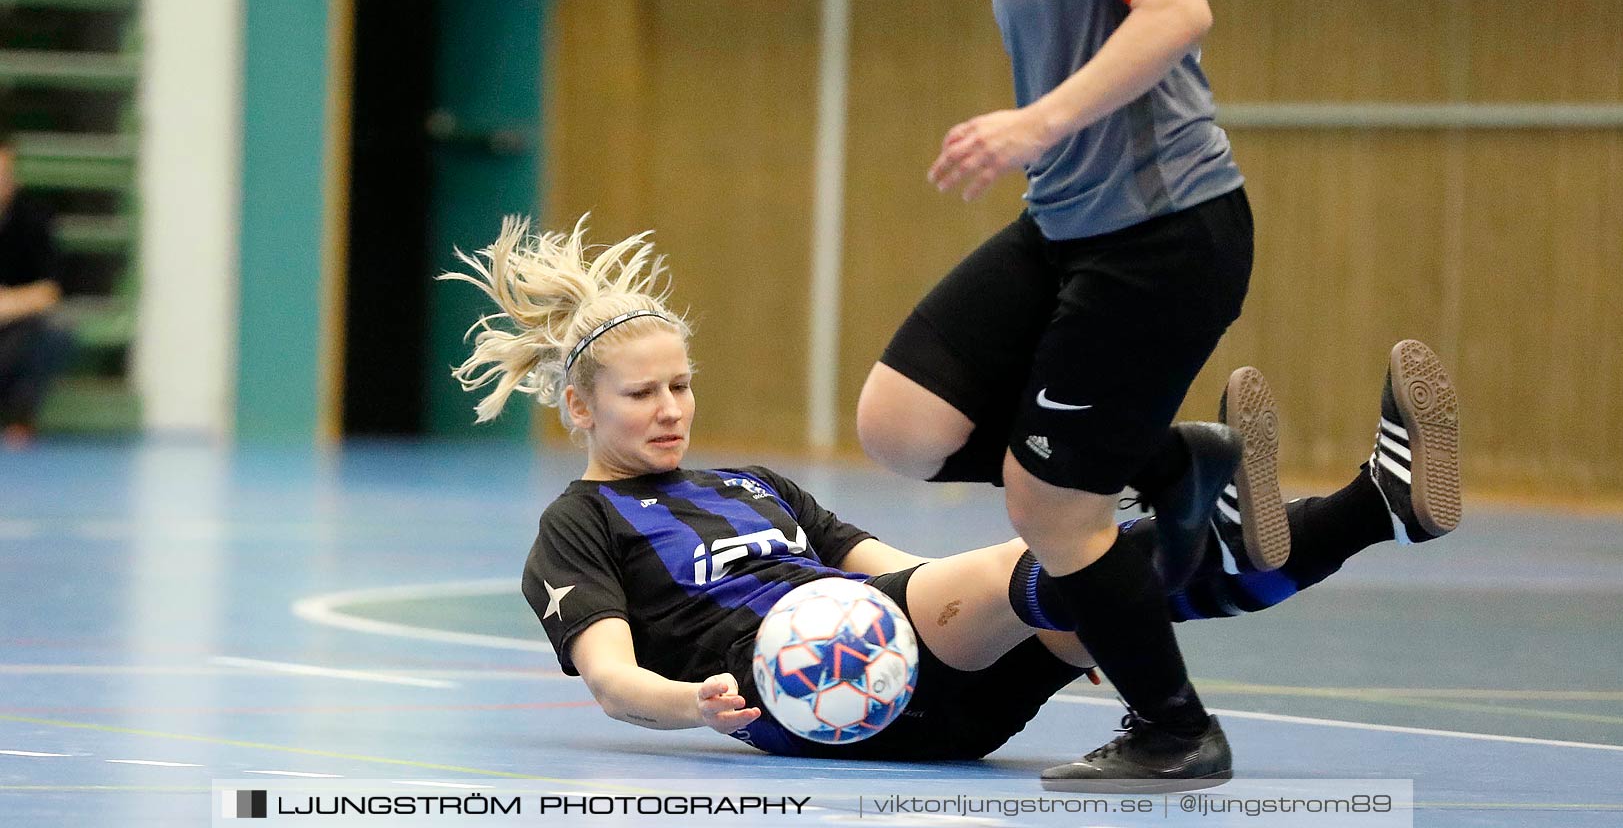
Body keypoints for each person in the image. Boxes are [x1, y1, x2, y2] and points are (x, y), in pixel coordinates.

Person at [448, 217, 1463, 781]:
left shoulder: (752, 484)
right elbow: (612, 677)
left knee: (1120, 588)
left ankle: (1381, 504)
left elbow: (891, 569)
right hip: (798, 687)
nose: (672, 410)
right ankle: (1193, 503)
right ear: (579, 405)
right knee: (1055, 558)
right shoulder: (575, 526)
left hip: (936, 695)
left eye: (681, 385)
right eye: (643, 395)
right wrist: (691, 705)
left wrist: (1095, 611)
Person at [855, 0, 1260, 784]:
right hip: (1073, 226)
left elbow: (1178, 5)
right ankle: (1173, 466)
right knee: (901, 425)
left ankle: (1178, 729)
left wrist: (1036, 124)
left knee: (1049, 502)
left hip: (1162, 235)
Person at [0, 131, 74, 447]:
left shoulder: (33, 218)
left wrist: (9, 304)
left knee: (52, 333)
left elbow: (50, 289)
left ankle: (20, 418)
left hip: (17, 323)